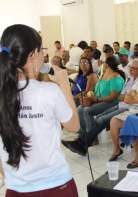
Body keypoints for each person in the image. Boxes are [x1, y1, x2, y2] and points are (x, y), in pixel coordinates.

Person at [0, 24, 79, 196]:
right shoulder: (49, 91)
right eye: (42, 50)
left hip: (16, 189)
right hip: (56, 187)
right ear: (33, 55)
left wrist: (7, 175)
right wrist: (64, 85)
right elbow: (74, 127)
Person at [62, 59, 138, 155]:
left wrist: (126, 98)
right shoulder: (132, 79)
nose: (130, 70)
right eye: (130, 68)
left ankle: (82, 143)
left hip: (127, 108)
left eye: (133, 68)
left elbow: (118, 97)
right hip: (120, 105)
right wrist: (127, 97)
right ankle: (83, 142)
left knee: (100, 120)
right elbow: (122, 96)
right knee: (97, 119)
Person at [71, 57, 125, 147]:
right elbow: (97, 90)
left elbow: (113, 96)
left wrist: (96, 99)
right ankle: (83, 134)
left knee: (87, 111)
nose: (102, 64)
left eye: (103, 62)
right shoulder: (104, 74)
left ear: (107, 65)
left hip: (111, 103)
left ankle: (92, 138)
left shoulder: (115, 76)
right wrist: (91, 95)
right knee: (80, 108)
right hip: (98, 100)